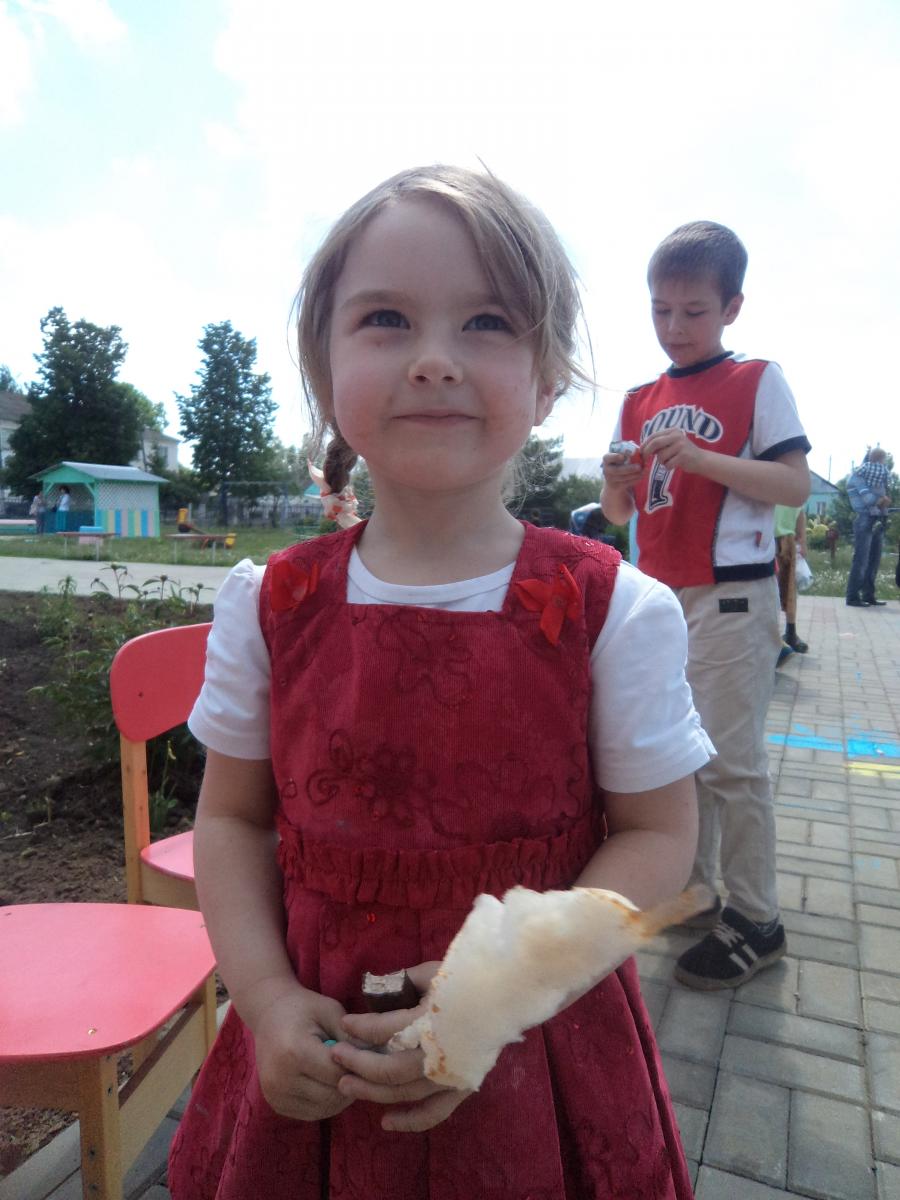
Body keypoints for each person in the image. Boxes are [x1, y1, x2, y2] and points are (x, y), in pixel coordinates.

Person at [168, 166, 713, 1200]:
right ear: (324, 367)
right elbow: (232, 820)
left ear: (547, 381)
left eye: (487, 323)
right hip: (312, 1044)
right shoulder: (269, 604)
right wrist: (267, 999)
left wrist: (503, 992)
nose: (432, 360)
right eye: (385, 319)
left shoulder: (614, 610)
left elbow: (657, 836)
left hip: (538, 1059)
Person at [600, 220, 811, 991]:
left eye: (693, 311)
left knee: (732, 763)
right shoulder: (639, 398)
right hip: (659, 598)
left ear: (731, 308)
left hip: (731, 594)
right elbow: (618, 515)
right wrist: (616, 483)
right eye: (661, 310)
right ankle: (695, 893)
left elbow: (794, 486)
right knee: (679, 755)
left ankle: (758, 918)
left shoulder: (756, 379)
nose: (675, 326)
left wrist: (703, 459)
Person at [845, 447, 891, 607]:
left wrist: (884, 501)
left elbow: (882, 497)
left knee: (874, 559)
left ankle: (868, 595)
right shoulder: (857, 477)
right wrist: (882, 500)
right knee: (861, 559)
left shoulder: (876, 479)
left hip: (877, 518)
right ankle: (852, 596)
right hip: (864, 518)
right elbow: (869, 499)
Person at [774, 504, 809, 652]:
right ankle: (771, 636)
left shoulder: (791, 490)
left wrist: (802, 540)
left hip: (788, 538)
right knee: (770, 591)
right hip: (766, 537)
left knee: (789, 589)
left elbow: (800, 510)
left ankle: (790, 633)